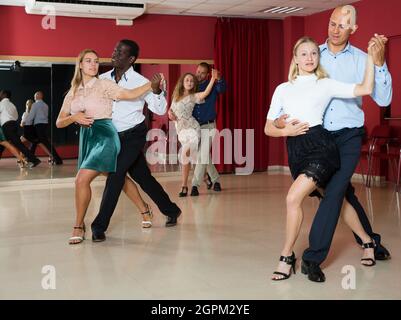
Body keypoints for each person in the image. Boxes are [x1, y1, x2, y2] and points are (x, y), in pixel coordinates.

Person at [274, 5, 392, 282]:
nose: (335, 29)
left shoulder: (364, 59)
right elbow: (295, 92)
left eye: (342, 25)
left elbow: (383, 100)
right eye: (332, 23)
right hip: (318, 140)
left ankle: (313, 258)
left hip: (349, 135)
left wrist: (379, 63)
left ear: (354, 29)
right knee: (341, 193)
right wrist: (282, 121)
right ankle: (369, 241)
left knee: (335, 191)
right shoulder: (313, 55)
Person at [56, 48, 156, 244]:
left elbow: (129, 94)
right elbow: (59, 122)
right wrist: (74, 117)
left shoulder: (104, 85)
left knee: (81, 180)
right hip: (87, 138)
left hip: (105, 136)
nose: (94, 64)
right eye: (89, 61)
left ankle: (78, 225)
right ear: (80, 65)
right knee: (116, 176)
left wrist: (149, 86)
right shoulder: (73, 92)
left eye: (96, 61)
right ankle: (145, 209)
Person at [91, 40, 182, 242]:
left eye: (120, 52)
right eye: (114, 50)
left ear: (131, 59)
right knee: (143, 178)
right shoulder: (103, 78)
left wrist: (157, 91)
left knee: (115, 175)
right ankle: (172, 210)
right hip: (112, 136)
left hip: (133, 135)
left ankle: (98, 226)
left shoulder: (142, 82)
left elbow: (159, 110)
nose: (114, 54)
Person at [169, 62, 226, 196]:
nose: (198, 74)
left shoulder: (211, 86)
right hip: (192, 127)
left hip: (208, 125)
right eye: (198, 71)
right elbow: (177, 104)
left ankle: (194, 185)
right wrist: (170, 113)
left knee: (201, 155)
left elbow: (222, 89)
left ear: (207, 75)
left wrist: (217, 78)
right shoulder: (190, 86)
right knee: (204, 155)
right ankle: (215, 180)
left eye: (202, 73)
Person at [0, 90, 41, 167]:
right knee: (3, 144)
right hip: (13, 125)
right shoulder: (12, 105)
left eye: (0, 94)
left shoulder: (1, 104)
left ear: (4, 95)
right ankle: (33, 159)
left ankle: (34, 159)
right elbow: (16, 117)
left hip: (6, 126)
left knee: (16, 144)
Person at [24, 91, 63, 165]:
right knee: (35, 141)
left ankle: (57, 159)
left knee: (44, 142)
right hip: (44, 125)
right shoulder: (46, 105)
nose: (34, 97)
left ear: (38, 96)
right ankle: (30, 157)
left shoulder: (35, 105)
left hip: (38, 125)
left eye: (35, 96)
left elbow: (31, 116)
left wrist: (26, 123)